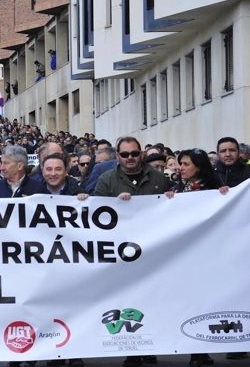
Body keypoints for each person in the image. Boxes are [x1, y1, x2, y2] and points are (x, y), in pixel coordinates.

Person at [92, 137, 168, 367]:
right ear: (118, 156)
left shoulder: (158, 178)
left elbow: (171, 210)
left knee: (152, 298)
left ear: (141, 154)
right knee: (128, 301)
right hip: (121, 253)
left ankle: (151, 346)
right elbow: (96, 213)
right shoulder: (106, 180)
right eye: (125, 155)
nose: (130, 158)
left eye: (134, 153)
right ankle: (132, 351)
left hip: (153, 250)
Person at [165, 149, 228, 367]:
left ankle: (203, 350)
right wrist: (168, 200)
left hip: (208, 257)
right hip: (184, 259)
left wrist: (226, 196)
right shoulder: (176, 190)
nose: (180, 167)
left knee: (205, 303)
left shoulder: (214, 191)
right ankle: (194, 349)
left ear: (198, 167)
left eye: (185, 164)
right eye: (179, 163)